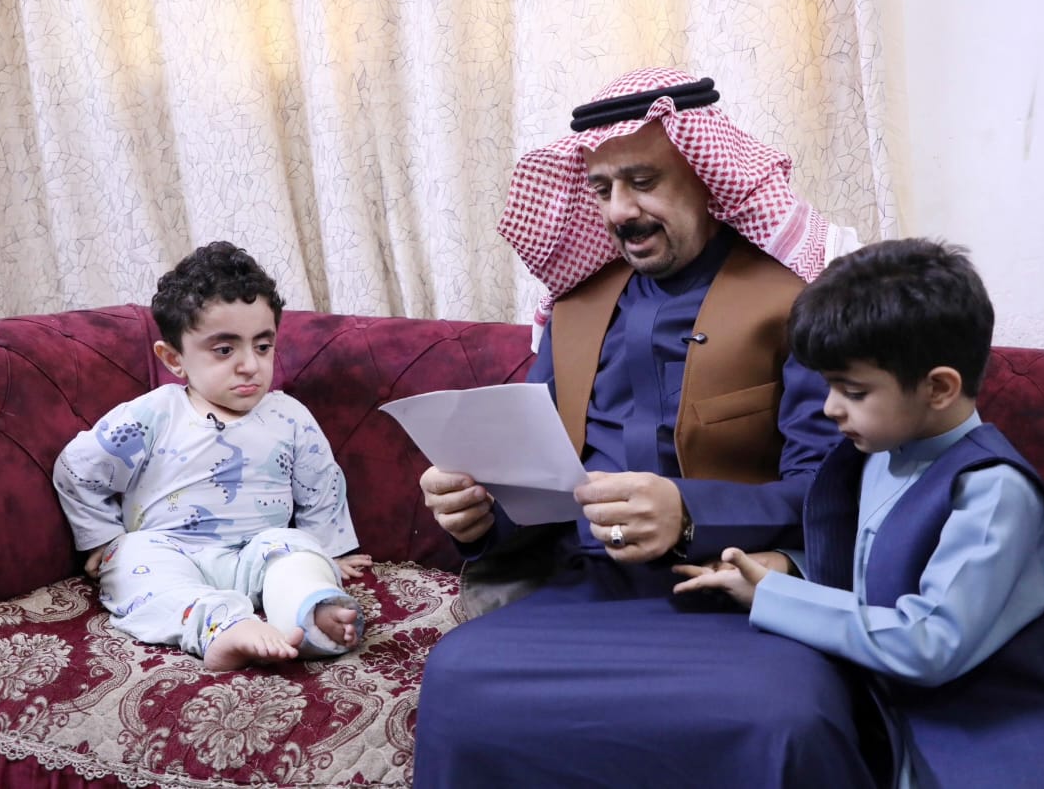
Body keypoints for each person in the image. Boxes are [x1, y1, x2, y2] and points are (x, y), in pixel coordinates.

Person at [412, 68, 878, 787]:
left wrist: (689, 512)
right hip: (582, 592)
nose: (619, 211)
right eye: (601, 188)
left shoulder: (794, 299)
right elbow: (536, 484)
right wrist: (477, 515)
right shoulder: (572, 309)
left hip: (737, 590)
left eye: (642, 182)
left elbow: (831, 489)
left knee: (782, 714)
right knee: (458, 681)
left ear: (706, 176)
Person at [675, 238, 1044, 787]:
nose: (830, 408)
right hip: (916, 696)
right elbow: (877, 564)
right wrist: (785, 569)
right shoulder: (880, 448)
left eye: (853, 391)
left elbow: (929, 643)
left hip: (1020, 727)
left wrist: (775, 598)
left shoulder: (992, 492)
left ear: (938, 388)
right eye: (829, 386)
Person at [53, 241, 372, 672]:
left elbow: (320, 485)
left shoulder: (289, 416)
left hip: (255, 555)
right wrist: (101, 538)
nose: (250, 365)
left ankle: (311, 613)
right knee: (131, 558)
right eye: (225, 350)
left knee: (296, 548)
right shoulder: (152, 415)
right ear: (174, 359)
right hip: (169, 550)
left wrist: (328, 551)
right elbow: (77, 468)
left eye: (263, 346)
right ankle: (221, 627)